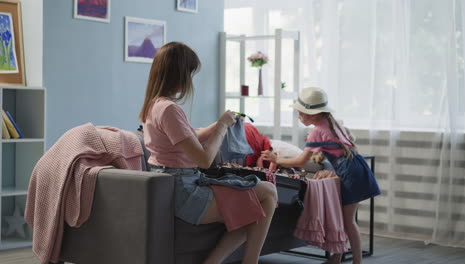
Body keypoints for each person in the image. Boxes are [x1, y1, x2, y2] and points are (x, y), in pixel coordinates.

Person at [138, 42, 278, 264]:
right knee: (268, 193)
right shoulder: (169, 109)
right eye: (190, 74)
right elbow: (204, 160)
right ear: (179, 74)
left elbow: (189, 136)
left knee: (257, 204)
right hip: (185, 192)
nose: (191, 80)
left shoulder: (155, 106)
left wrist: (219, 123)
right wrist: (222, 128)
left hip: (178, 185)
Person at [261, 87, 381, 264]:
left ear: (312, 115)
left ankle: (357, 261)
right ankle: (337, 256)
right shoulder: (331, 122)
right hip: (356, 167)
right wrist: (336, 171)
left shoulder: (317, 131)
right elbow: (347, 149)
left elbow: (301, 161)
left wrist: (275, 159)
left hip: (350, 173)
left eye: (300, 113)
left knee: (348, 221)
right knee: (344, 218)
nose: (299, 117)